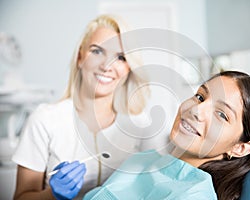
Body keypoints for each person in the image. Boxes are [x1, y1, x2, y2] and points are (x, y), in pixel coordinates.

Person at [12, 14, 151, 200]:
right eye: (97, 51)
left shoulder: (140, 125)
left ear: (129, 68)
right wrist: (51, 195)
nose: (106, 66)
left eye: (120, 57)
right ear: (80, 57)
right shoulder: (44, 120)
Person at [83, 71, 250, 200]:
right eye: (200, 96)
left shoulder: (194, 195)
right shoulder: (145, 159)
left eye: (221, 114)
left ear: (239, 147)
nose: (196, 110)